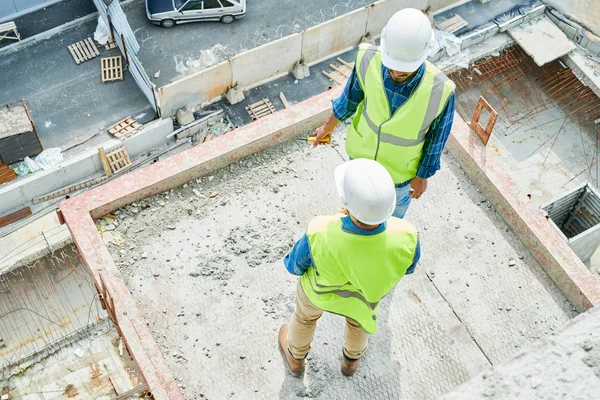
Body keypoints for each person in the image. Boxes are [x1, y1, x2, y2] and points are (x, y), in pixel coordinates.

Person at [278, 159, 421, 377]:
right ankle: (351, 361)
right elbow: (407, 268)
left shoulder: (320, 231)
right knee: (358, 325)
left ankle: (296, 358)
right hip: (365, 297)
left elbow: (294, 266)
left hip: (318, 293)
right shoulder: (408, 236)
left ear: (346, 201)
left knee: (304, 318)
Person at [313, 8, 456, 219]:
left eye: (404, 70)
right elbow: (349, 99)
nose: (397, 72)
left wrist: (422, 176)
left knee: (392, 218)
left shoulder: (441, 90)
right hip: (360, 159)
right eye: (392, 66)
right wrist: (328, 127)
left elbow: (436, 140)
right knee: (356, 206)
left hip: (398, 176)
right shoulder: (367, 60)